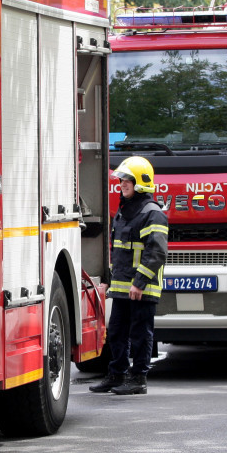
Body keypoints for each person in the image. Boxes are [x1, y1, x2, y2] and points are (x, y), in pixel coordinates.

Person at [89, 156, 168, 395]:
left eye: (127, 180)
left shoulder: (152, 214)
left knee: (141, 334)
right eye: (121, 180)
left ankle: (138, 378)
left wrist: (140, 283)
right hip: (123, 288)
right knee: (115, 332)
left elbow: (156, 252)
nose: (122, 184)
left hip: (142, 288)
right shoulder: (124, 212)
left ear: (140, 183)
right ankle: (116, 374)